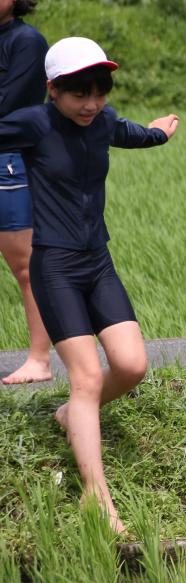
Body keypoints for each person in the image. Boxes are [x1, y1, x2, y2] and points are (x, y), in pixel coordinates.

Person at [0, 37, 178, 531]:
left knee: (132, 365)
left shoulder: (100, 120)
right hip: (54, 266)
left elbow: (126, 132)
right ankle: (97, 499)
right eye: (80, 93)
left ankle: (72, 417)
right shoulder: (33, 122)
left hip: (97, 262)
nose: (91, 103)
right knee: (85, 377)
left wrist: (159, 135)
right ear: (53, 90)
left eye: (99, 92)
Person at [0, 0, 48, 384]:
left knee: (24, 264)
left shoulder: (26, 42)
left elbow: (9, 105)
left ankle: (39, 359)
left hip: (8, 159)